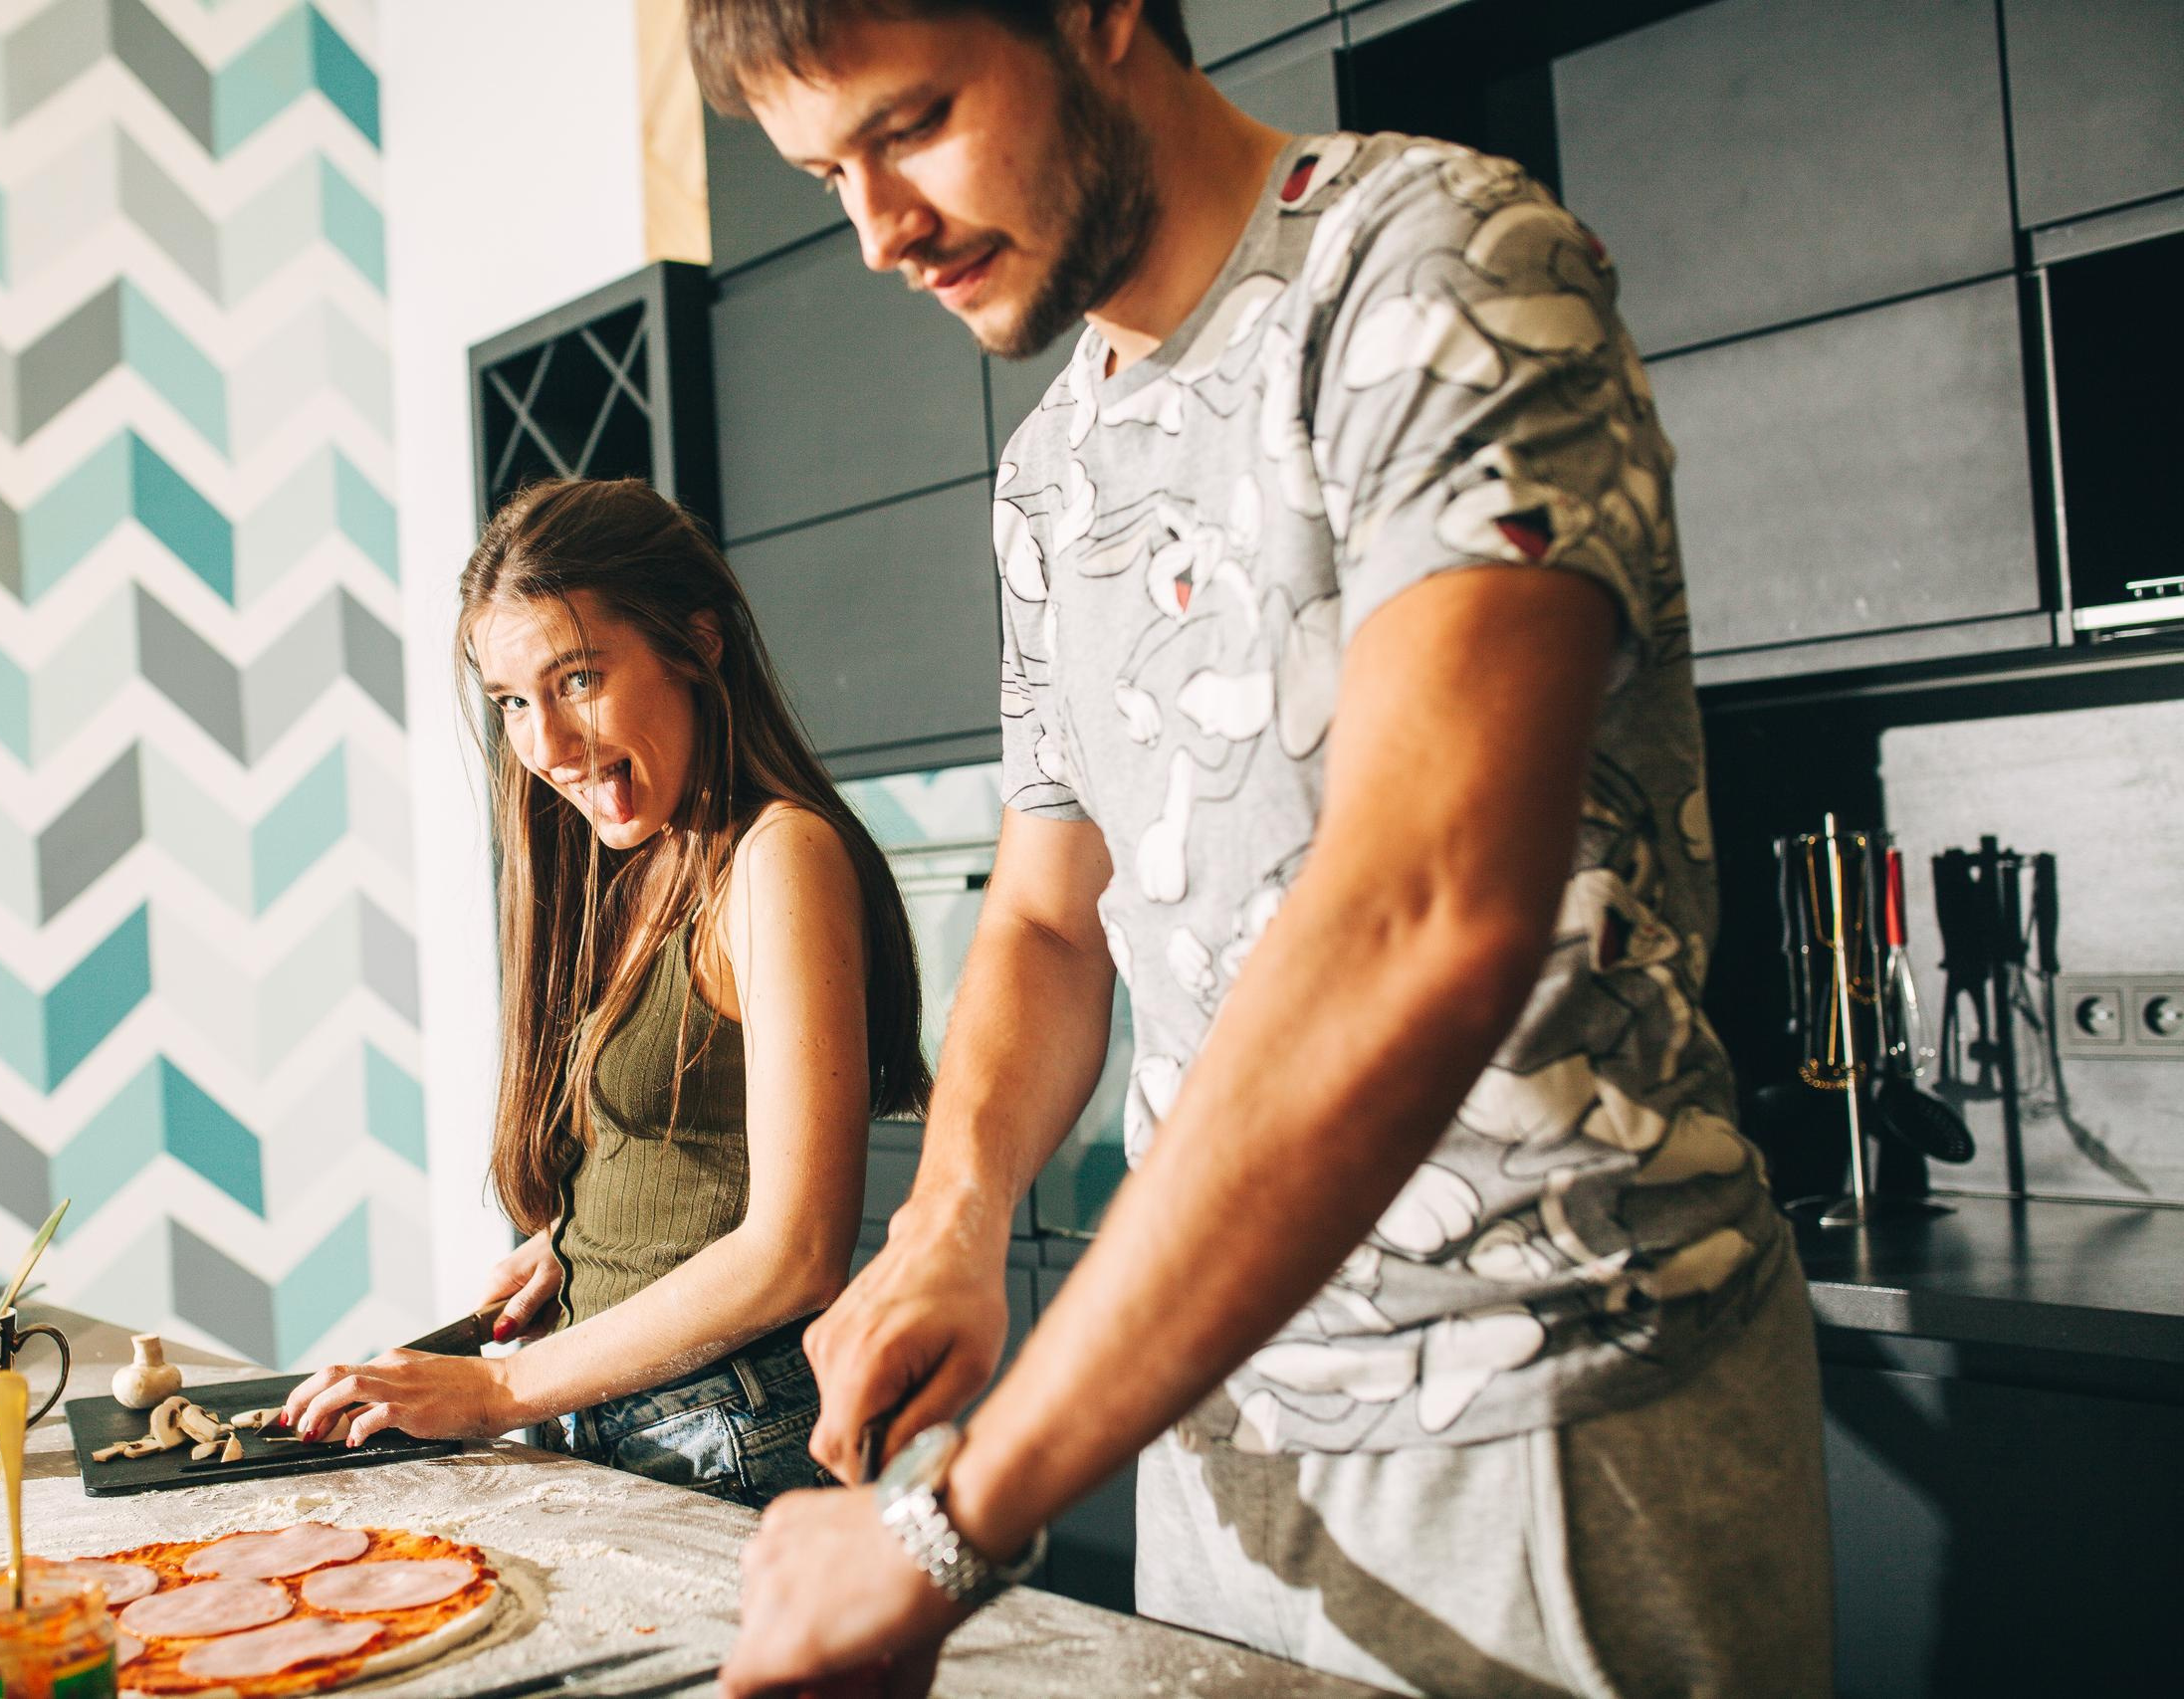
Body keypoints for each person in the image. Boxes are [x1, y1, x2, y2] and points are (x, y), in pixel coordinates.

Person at [686, 2, 1834, 1694]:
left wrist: (948, 1526)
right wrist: (952, 1213)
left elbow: (1424, 916)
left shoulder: (1435, 268)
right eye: (823, 175)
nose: (876, 230)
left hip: (1546, 1410)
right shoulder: (1050, 468)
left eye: (912, 124)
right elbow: (1051, 919)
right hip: (1200, 1411)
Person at [282, 478, 929, 1508]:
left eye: (577, 678)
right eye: (510, 703)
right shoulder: (646, 862)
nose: (542, 747)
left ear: (698, 644)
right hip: (624, 1410)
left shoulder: (777, 858)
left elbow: (794, 1253)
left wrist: (495, 1388)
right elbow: (690, 1158)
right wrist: (575, 1245)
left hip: (726, 1432)